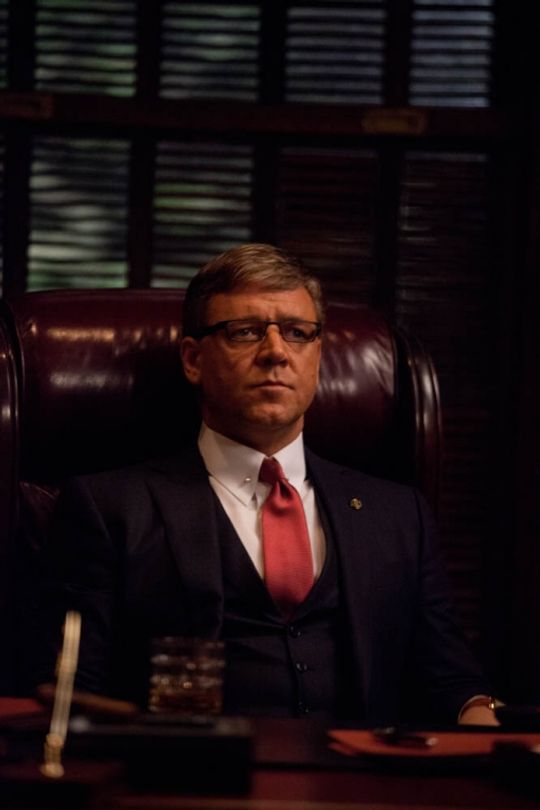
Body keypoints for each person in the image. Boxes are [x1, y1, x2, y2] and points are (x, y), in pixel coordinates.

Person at [37, 243, 499, 726]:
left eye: (298, 333)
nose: (276, 352)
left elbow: (452, 682)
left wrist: (486, 729)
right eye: (245, 332)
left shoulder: (399, 514)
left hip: (358, 767)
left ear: (318, 354)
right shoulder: (109, 507)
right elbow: (71, 692)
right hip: (188, 766)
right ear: (193, 360)